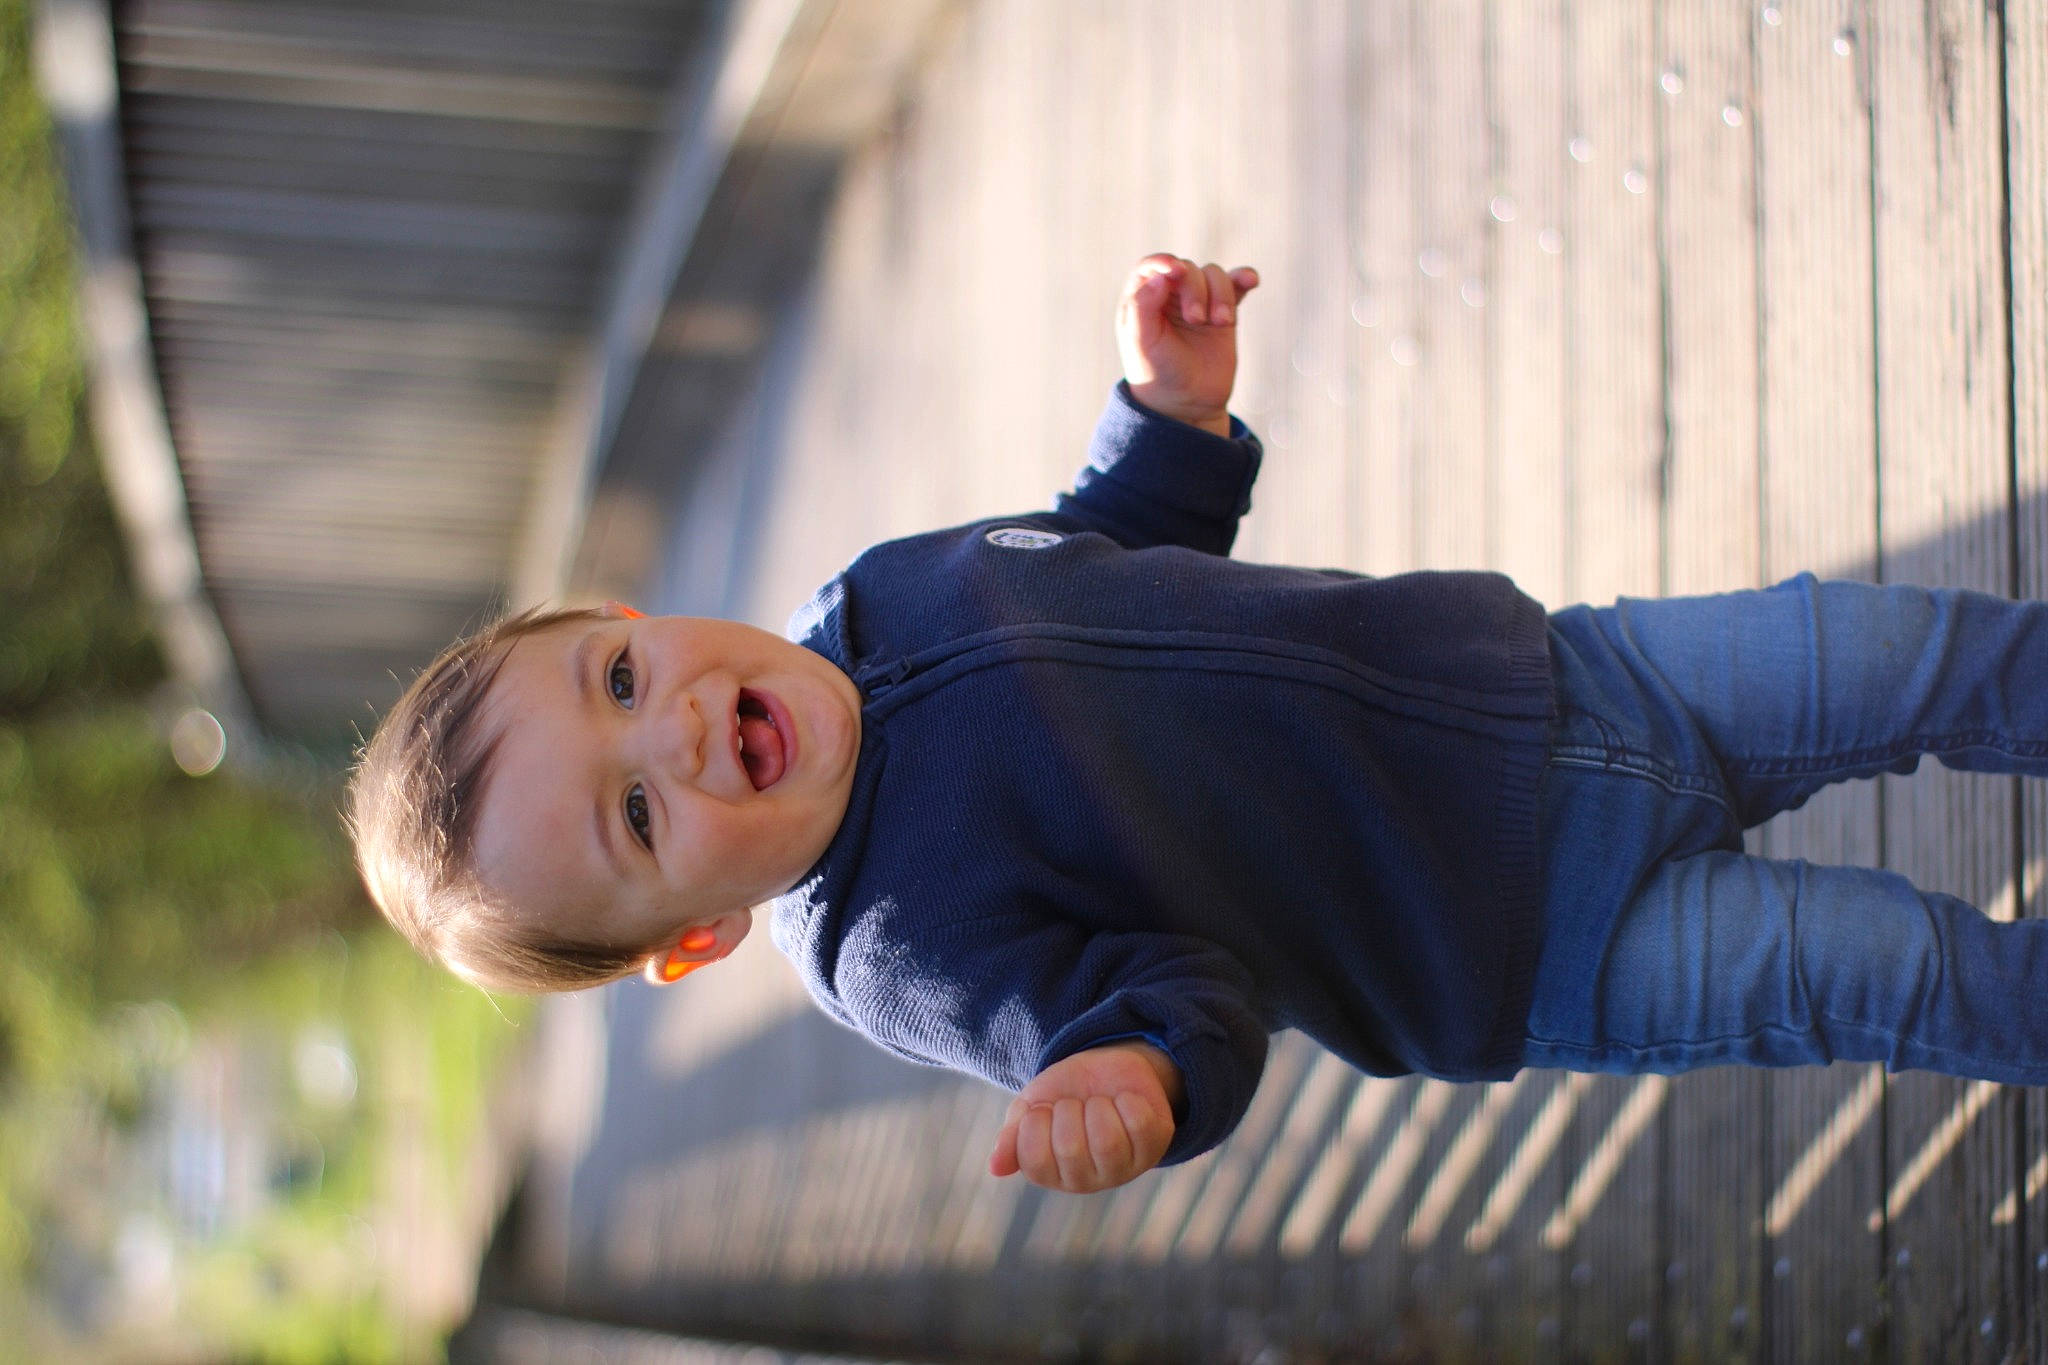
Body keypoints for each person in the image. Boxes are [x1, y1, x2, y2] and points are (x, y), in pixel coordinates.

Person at [349, 253, 2048, 1197]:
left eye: (623, 685)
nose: (682, 742)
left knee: (1912, 654)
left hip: (1555, 681)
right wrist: (1131, 1080)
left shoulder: (875, 594)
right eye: (636, 821)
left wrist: (1170, 412)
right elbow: (1183, 1005)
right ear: (698, 934)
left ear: (635, 623)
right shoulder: (899, 948)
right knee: (1893, 969)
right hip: (1535, 941)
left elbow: (1108, 551)